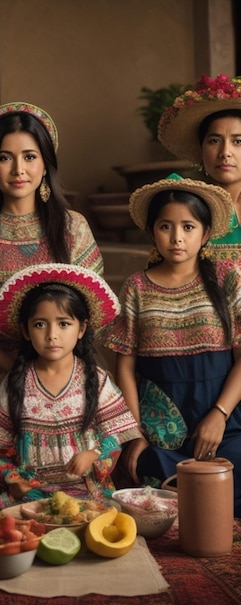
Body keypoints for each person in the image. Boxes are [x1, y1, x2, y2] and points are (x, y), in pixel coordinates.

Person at [0, 102, 104, 497]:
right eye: (5, 158)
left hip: (65, 376)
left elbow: (93, 311)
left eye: (30, 156)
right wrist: (17, 368)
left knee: (68, 484)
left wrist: (53, 368)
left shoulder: (71, 228)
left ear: (46, 163)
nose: (19, 170)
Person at [101, 175, 241, 517]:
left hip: (224, 420)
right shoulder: (136, 286)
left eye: (188, 227)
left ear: (206, 233)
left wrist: (219, 416)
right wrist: (135, 434)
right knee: (145, 465)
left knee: (236, 464)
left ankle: (201, 509)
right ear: (152, 232)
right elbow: (126, 367)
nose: (177, 237)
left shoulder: (227, 278)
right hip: (159, 429)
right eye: (166, 226)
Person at [0, 263, 142, 509]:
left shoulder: (96, 380)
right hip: (31, 495)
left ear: (81, 329)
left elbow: (115, 438)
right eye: (40, 324)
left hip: (87, 493)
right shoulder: (15, 384)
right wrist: (13, 480)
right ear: (25, 330)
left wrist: (93, 455)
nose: (52, 334)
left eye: (64, 324)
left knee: (103, 520)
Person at [158, 73, 241, 261]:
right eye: (214, 140)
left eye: (238, 141)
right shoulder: (182, 200)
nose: (225, 152)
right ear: (200, 149)